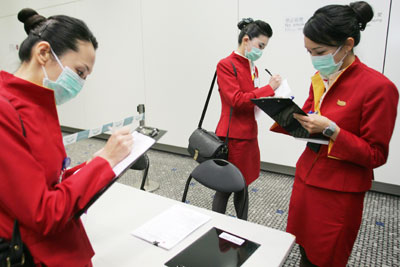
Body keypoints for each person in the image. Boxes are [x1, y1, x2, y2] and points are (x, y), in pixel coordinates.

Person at [0, 8, 133, 266]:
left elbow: (50, 180)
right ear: (43, 53)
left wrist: (95, 164)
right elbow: (42, 213)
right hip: (35, 253)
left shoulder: (37, 103)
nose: (80, 83)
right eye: (79, 72)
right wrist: (102, 163)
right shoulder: (6, 110)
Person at [275, 2, 398, 266]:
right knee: (303, 250)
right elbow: (310, 119)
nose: (314, 59)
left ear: (348, 44)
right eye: (309, 51)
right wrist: (286, 112)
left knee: (327, 257)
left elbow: (375, 154)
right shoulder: (320, 78)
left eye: (319, 51)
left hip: (338, 193)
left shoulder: (379, 88)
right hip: (307, 179)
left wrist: (333, 130)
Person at [212, 18, 282, 220]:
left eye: (264, 47)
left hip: (249, 133)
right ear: (246, 40)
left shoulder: (253, 67)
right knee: (226, 186)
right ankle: (217, 227)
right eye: (260, 45)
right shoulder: (226, 65)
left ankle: (243, 229)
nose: (261, 50)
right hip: (232, 136)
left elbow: (252, 100)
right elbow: (236, 100)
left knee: (243, 185)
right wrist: (269, 89)